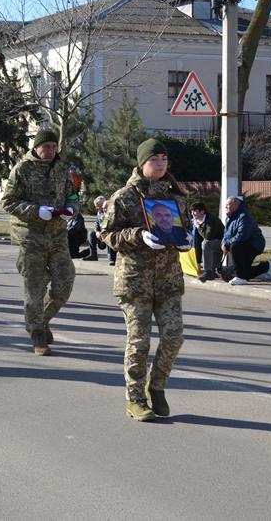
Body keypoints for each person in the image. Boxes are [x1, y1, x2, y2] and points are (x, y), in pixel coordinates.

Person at [102, 139, 188, 422]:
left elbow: (183, 228)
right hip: (135, 281)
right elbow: (107, 235)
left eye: (164, 158)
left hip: (167, 280)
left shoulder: (176, 197)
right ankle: (135, 399)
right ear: (142, 164)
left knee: (174, 336)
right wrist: (138, 236)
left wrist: (186, 240)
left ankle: (157, 385)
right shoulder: (125, 197)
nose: (161, 163)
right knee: (139, 341)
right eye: (155, 159)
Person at [1, 130, 78, 356]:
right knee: (34, 289)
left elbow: (73, 196)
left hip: (57, 235)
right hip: (30, 236)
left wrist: (72, 210)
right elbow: (8, 201)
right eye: (46, 146)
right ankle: (37, 335)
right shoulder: (22, 169)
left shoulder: (62, 169)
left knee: (65, 283)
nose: (50, 151)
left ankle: (41, 320)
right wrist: (36, 211)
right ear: (36, 147)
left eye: (54, 147)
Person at [221, 196, 271, 285]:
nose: (225, 207)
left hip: (254, 245)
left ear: (235, 205)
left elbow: (242, 236)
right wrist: (223, 243)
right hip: (243, 245)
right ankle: (267, 266)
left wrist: (227, 243)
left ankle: (240, 277)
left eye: (228, 205)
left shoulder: (244, 216)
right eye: (225, 205)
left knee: (235, 246)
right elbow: (226, 234)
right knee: (245, 272)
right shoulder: (229, 217)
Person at [190, 202, 225, 283]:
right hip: (215, 243)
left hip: (223, 243)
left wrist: (198, 226)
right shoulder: (196, 220)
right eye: (191, 211)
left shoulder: (211, 219)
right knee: (205, 243)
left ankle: (208, 271)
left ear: (202, 211)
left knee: (206, 243)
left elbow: (209, 236)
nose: (192, 213)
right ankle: (212, 271)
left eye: (195, 211)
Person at [85, 196, 116, 264]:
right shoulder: (99, 212)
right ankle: (93, 255)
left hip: (109, 231)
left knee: (108, 234)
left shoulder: (110, 212)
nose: (96, 208)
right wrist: (97, 232)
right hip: (101, 232)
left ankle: (112, 258)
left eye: (98, 206)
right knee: (91, 234)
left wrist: (102, 232)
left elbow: (108, 225)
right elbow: (96, 224)